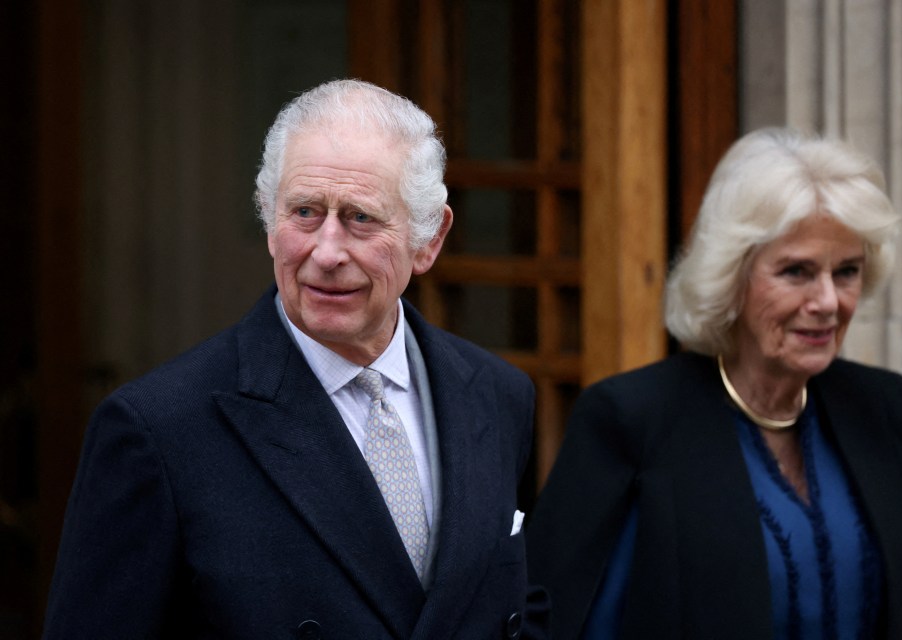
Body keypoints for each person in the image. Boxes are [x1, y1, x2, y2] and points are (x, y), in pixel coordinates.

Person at [44, 79, 547, 639]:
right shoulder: (159, 430)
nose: (326, 252)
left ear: (429, 239)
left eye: (361, 218)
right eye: (304, 212)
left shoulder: (498, 395)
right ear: (269, 223)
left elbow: (519, 608)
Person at [526, 128, 902, 639]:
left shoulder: (885, 410)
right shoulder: (632, 420)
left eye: (846, 271)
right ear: (731, 276)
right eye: (797, 271)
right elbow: (553, 620)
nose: (828, 301)